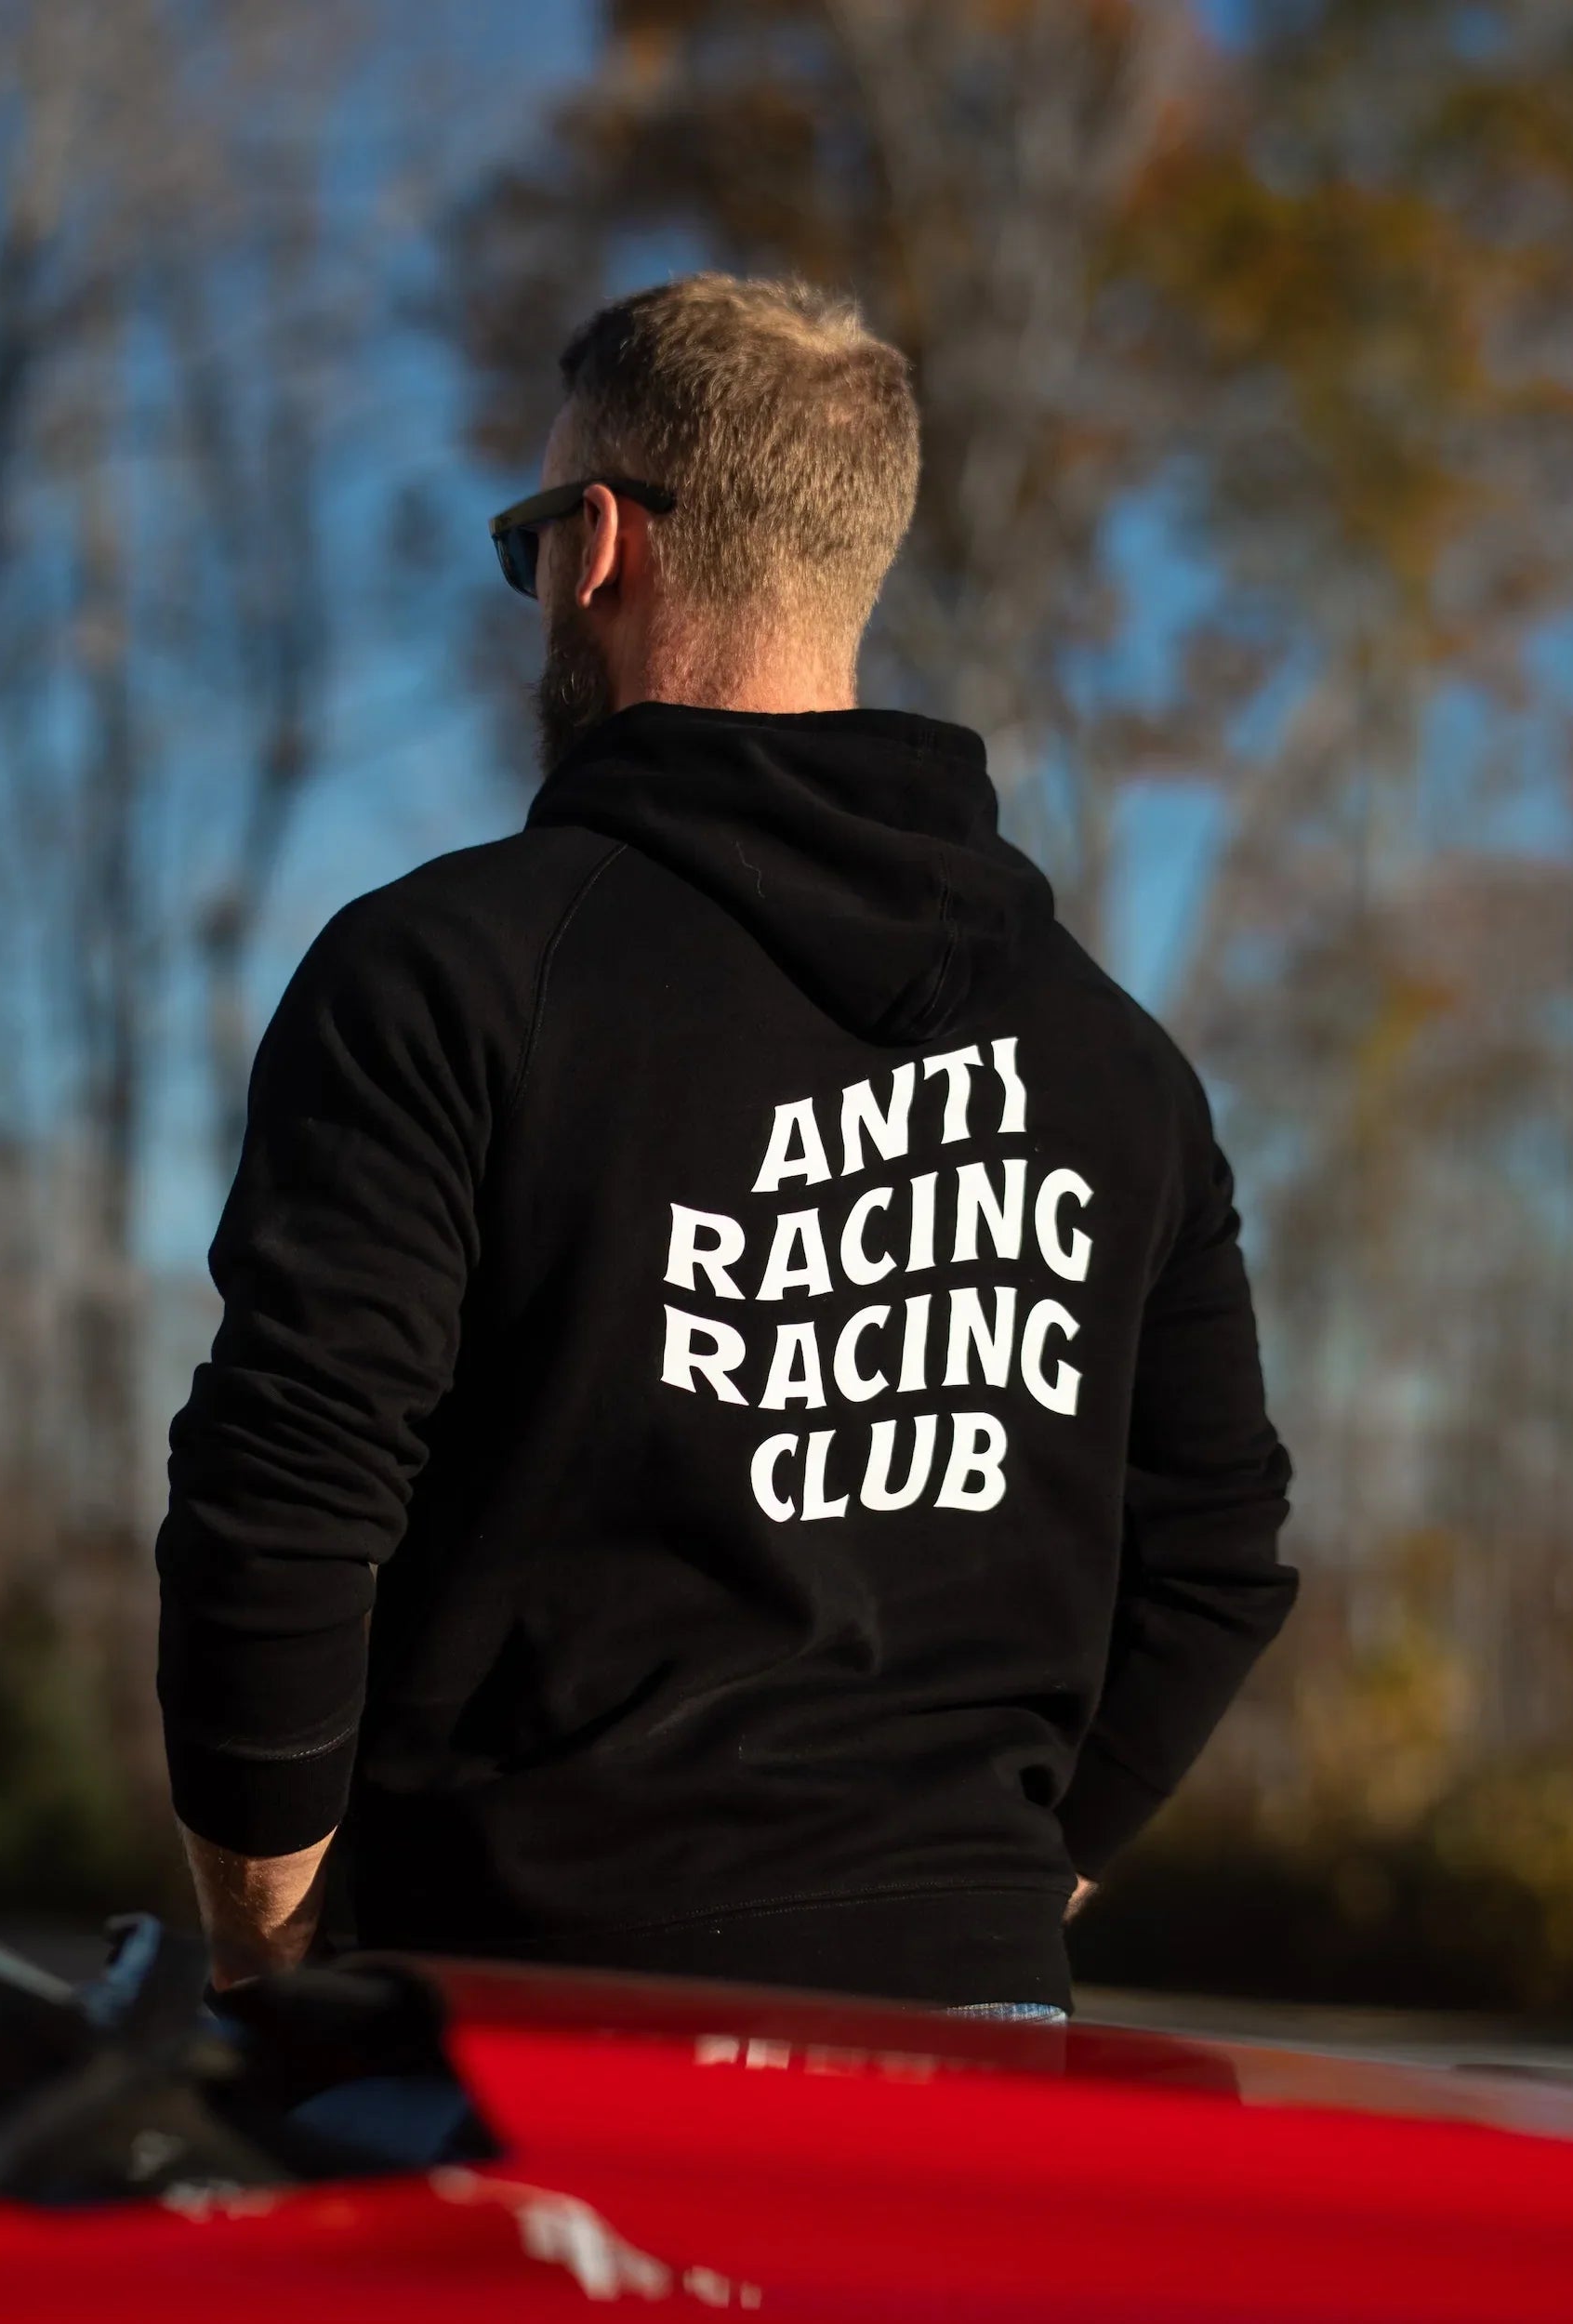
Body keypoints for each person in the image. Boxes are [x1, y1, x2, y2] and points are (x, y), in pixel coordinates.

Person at [156, 274, 1295, 2016]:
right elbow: (1215, 1554)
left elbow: (283, 1509)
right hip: (977, 2068)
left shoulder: (455, 974)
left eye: (534, 530)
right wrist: (985, 1895)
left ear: (598, 544)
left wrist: (266, 1955)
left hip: (535, 2034)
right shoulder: (1117, 1068)